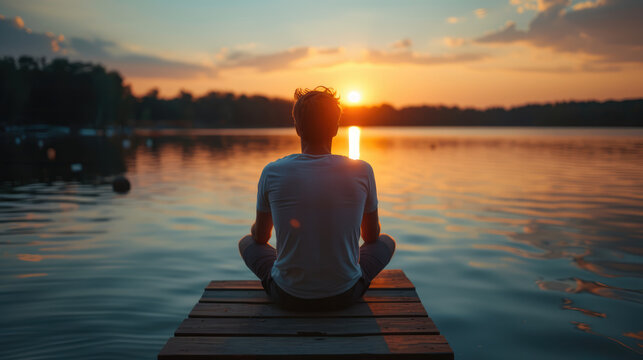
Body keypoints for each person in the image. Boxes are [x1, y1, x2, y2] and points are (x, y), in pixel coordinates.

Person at [238, 86, 396, 311]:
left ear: (297, 128)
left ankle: (293, 274)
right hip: (345, 294)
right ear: (335, 128)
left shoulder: (272, 171)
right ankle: (341, 273)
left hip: (287, 295)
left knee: (246, 242)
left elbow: (261, 237)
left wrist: (258, 230)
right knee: (386, 242)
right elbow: (371, 236)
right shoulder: (362, 170)